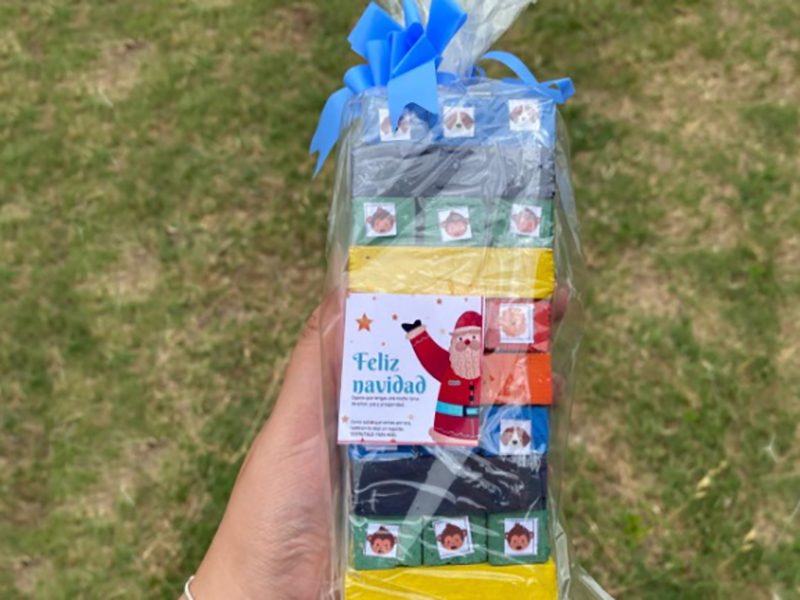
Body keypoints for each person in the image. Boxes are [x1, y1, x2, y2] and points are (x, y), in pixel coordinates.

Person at [182, 288, 569, 599]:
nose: (466, 346)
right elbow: (431, 357)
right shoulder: (448, 362)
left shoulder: (481, 369)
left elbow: (507, 377)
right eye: (462, 340)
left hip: (470, 439)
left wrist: (521, 375)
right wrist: (417, 334)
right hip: (438, 433)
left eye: (472, 340)